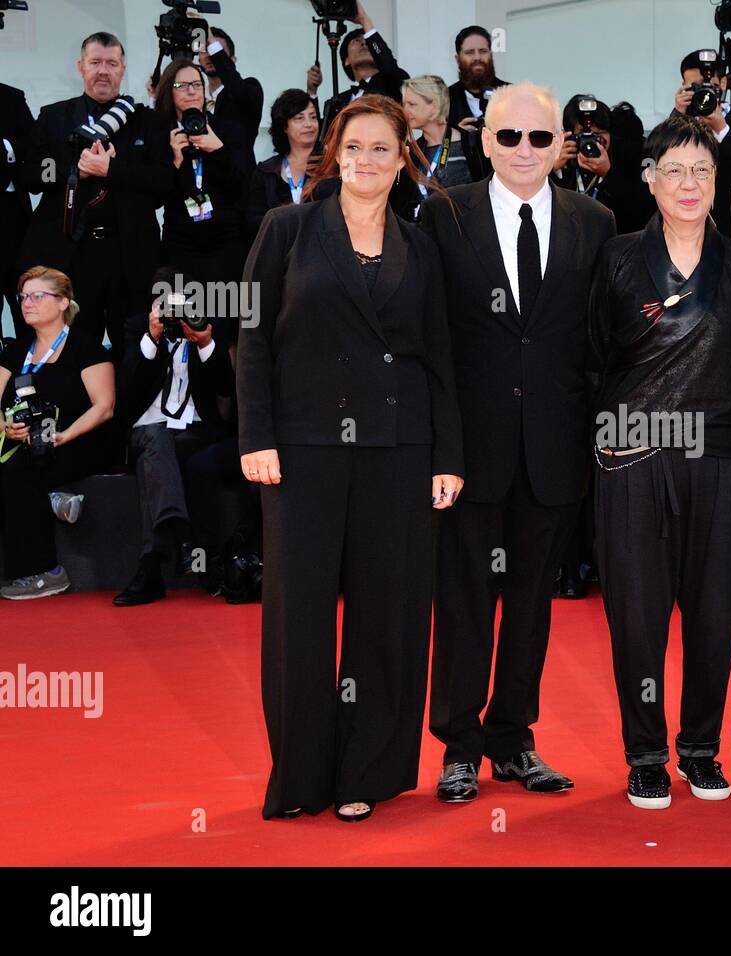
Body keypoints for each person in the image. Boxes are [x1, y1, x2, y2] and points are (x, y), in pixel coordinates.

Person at [238, 94, 464, 822]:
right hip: (302, 449)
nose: (368, 162)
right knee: (298, 617)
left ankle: (367, 768)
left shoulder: (420, 244)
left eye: (383, 150)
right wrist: (255, 436)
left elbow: (439, 360)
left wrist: (447, 457)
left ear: (405, 161)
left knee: (388, 616)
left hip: (398, 451)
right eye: (356, 147)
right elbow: (252, 339)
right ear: (336, 153)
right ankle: (302, 774)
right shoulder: (287, 228)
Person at [419, 83, 616, 803]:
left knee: (532, 602)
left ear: (562, 142)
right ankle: (458, 745)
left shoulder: (595, 220)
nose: (526, 151)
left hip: (556, 449)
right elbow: (432, 342)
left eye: (541, 138)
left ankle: (514, 739)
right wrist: (439, 448)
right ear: (485, 142)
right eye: (510, 138)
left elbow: (599, 340)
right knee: (465, 599)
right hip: (472, 449)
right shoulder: (444, 214)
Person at [588, 114, 731, 809]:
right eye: (675, 170)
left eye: (703, 171)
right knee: (637, 615)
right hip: (634, 457)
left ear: (717, 183)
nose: (689, 184)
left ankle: (699, 750)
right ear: (651, 179)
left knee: (715, 611)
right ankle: (645, 756)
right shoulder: (616, 259)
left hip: (725, 459)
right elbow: (595, 357)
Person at [18, 32, 170, 359]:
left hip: (129, 255)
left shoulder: (147, 122)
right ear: (80, 67)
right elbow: (31, 174)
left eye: (111, 64)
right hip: (70, 255)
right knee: (73, 348)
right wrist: (74, 169)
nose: (103, 71)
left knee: (134, 346)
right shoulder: (54, 116)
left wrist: (111, 169)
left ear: (123, 69)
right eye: (95, 62)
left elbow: (162, 183)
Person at [112, 266, 234, 607]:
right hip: (145, 430)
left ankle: (151, 566)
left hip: (193, 432)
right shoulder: (137, 326)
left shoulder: (205, 326)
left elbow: (226, 386)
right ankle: (180, 532)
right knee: (157, 439)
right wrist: (151, 340)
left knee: (165, 453)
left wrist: (206, 343)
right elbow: (128, 388)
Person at [1, 267, 115, 599]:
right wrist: (6, 428)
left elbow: (104, 406)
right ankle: (51, 500)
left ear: (64, 302)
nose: (27, 303)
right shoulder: (14, 352)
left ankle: (45, 571)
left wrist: (65, 435)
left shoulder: (87, 348)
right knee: (16, 467)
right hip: (24, 443)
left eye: (38, 296)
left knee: (19, 473)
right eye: (23, 297)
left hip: (78, 441)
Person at [154, 59, 251, 291]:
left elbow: (244, 185)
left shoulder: (227, 128)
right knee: (185, 322)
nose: (191, 91)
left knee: (226, 320)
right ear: (169, 91)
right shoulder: (159, 134)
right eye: (182, 86)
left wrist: (218, 150)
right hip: (180, 247)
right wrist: (175, 162)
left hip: (227, 244)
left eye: (197, 85)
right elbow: (155, 196)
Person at [674, 50, 731, 236]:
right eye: (695, 87)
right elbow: (656, 161)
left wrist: (722, 131)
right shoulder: (678, 127)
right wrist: (677, 114)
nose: (703, 93)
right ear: (683, 87)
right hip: (684, 232)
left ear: (723, 84)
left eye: (708, 86)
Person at [552, 94, 654, 235]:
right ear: (569, 136)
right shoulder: (561, 164)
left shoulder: (626, 159)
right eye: (584, 135)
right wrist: (552, 169)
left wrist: (609, 174)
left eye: (599, 134)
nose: (592, 142)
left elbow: (639, 214)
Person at [390, 75, 483, 221]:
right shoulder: (411, 151)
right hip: (424, 235)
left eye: (412, 104)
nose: (404, 110)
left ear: (434, 106)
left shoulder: (471, 144)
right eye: (404, 104)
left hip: (465, 233)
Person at [308, 2, 407, 133]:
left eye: (367, 41)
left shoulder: (393, 83)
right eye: (356, 40)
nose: (364, 43)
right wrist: (312, 92)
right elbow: (320, 137)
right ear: (346, 61)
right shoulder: (337, 101)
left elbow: (389, 66)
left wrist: (364, 20)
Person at [245, 90, 319, 241]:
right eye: (299, 118)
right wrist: (282, 219)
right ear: (284, 126)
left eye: (313, 117)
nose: (309, 124)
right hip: (281, 250)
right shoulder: (266, 170)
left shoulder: (331, 165)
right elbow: (252, 219)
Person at [198, 25, 264, 169]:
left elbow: (237, 91)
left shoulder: (249, 88)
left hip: (238, 182)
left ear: (232, 60)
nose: (209, 55)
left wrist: (209, 36)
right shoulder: (195, 96)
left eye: (214, 49)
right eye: (204, 50)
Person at [1, 82, 34, 329]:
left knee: (23, 297)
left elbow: (35, 143)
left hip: (12, 216)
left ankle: (27, 364)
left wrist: (6, 148)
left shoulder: (11, 96)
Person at [447, 25, 510, 130]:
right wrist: (456, 137)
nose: (477, 57)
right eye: (470, 52)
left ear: (491, 55)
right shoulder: (444, 100)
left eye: (483, 51)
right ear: (457, 59)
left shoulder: (513, 94)